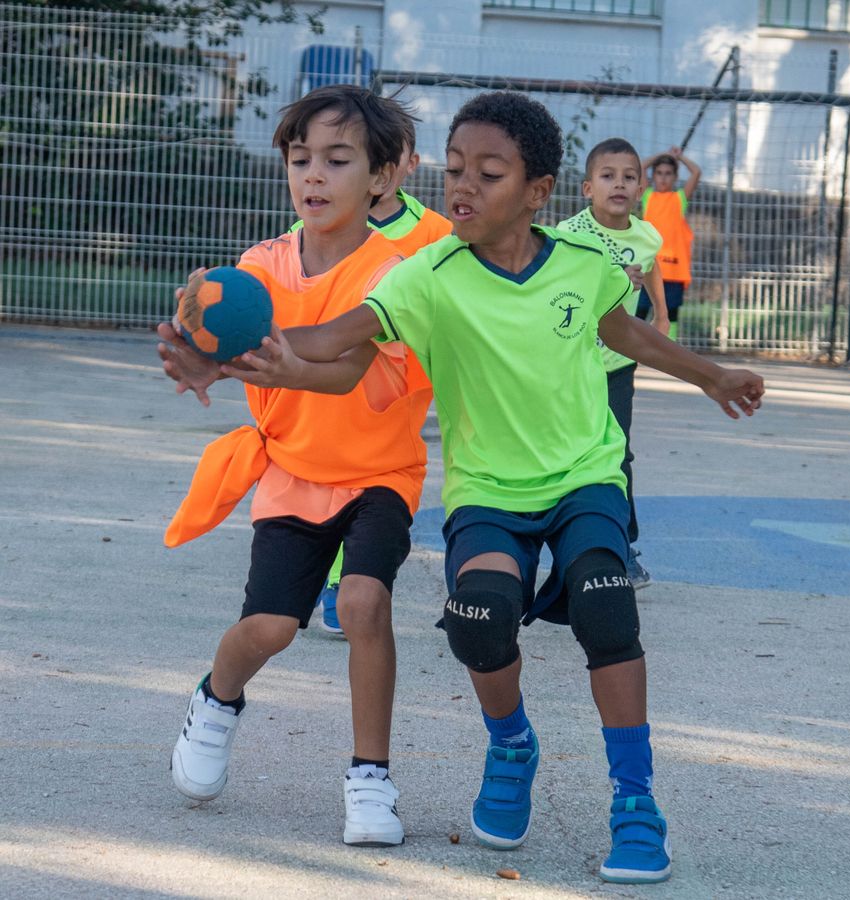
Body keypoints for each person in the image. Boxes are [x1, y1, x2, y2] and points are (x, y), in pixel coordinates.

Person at [206, 91, 764, 883]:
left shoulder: (583, 266)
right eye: (455, 169)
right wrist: (229, 347)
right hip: (489, 491)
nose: (463, 187)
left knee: (605, 603)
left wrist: (712, 376)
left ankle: (636, 802)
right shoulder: (428, 275)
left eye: (488, 174)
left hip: (583, 476)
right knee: (479, 620)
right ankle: (511, 745)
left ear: (538, 191)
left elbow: (627, 332)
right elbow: (331, 337)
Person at [155, 84, 433, 846]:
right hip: (293, 470)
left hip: (380, 472)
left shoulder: (396, 272)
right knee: (271, 628)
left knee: (364, 604)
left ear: (382, 178)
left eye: (337, 160)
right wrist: (202, 359)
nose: (313, 174)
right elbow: (230, 348)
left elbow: (348, 370)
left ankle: (370, 777)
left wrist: (282, 368)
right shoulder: (257, 270)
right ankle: (216, 700)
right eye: (301, 158)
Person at [292, 133, 453, 637]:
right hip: (327, 376)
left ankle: (342, 580)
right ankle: (318, 565)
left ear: (406, 165)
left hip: (396, 385)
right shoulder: (310, 228)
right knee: (325, 474)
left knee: (369, 481)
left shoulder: (436, 233)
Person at [559, 137, 667, 589]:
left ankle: (623, 547)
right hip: (572, 362)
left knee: (617, 453)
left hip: (618, 364)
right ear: (588, 188)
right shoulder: (569, 233)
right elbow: (558, 285)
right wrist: (611, 280)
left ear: (640, 188)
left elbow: (652, 264)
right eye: (608, 176)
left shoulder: (647, 236)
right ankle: (567, 541)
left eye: (628, 177)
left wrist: (661, 313)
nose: (618, 184)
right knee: (571, 452)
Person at [638, 147, 699, 339]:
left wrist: (679, 157)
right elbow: (640, 166)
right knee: (639, 312)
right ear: (653, 176)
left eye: (668, 173)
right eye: (659, 173)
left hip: (673, 270)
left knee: (670, 315)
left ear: (675, 177)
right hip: (649, 268)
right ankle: (634, 350)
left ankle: (667, 348)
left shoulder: (679, 199)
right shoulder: (648, 197)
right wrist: (662, 154)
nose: (663, 178)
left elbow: (696, 172)